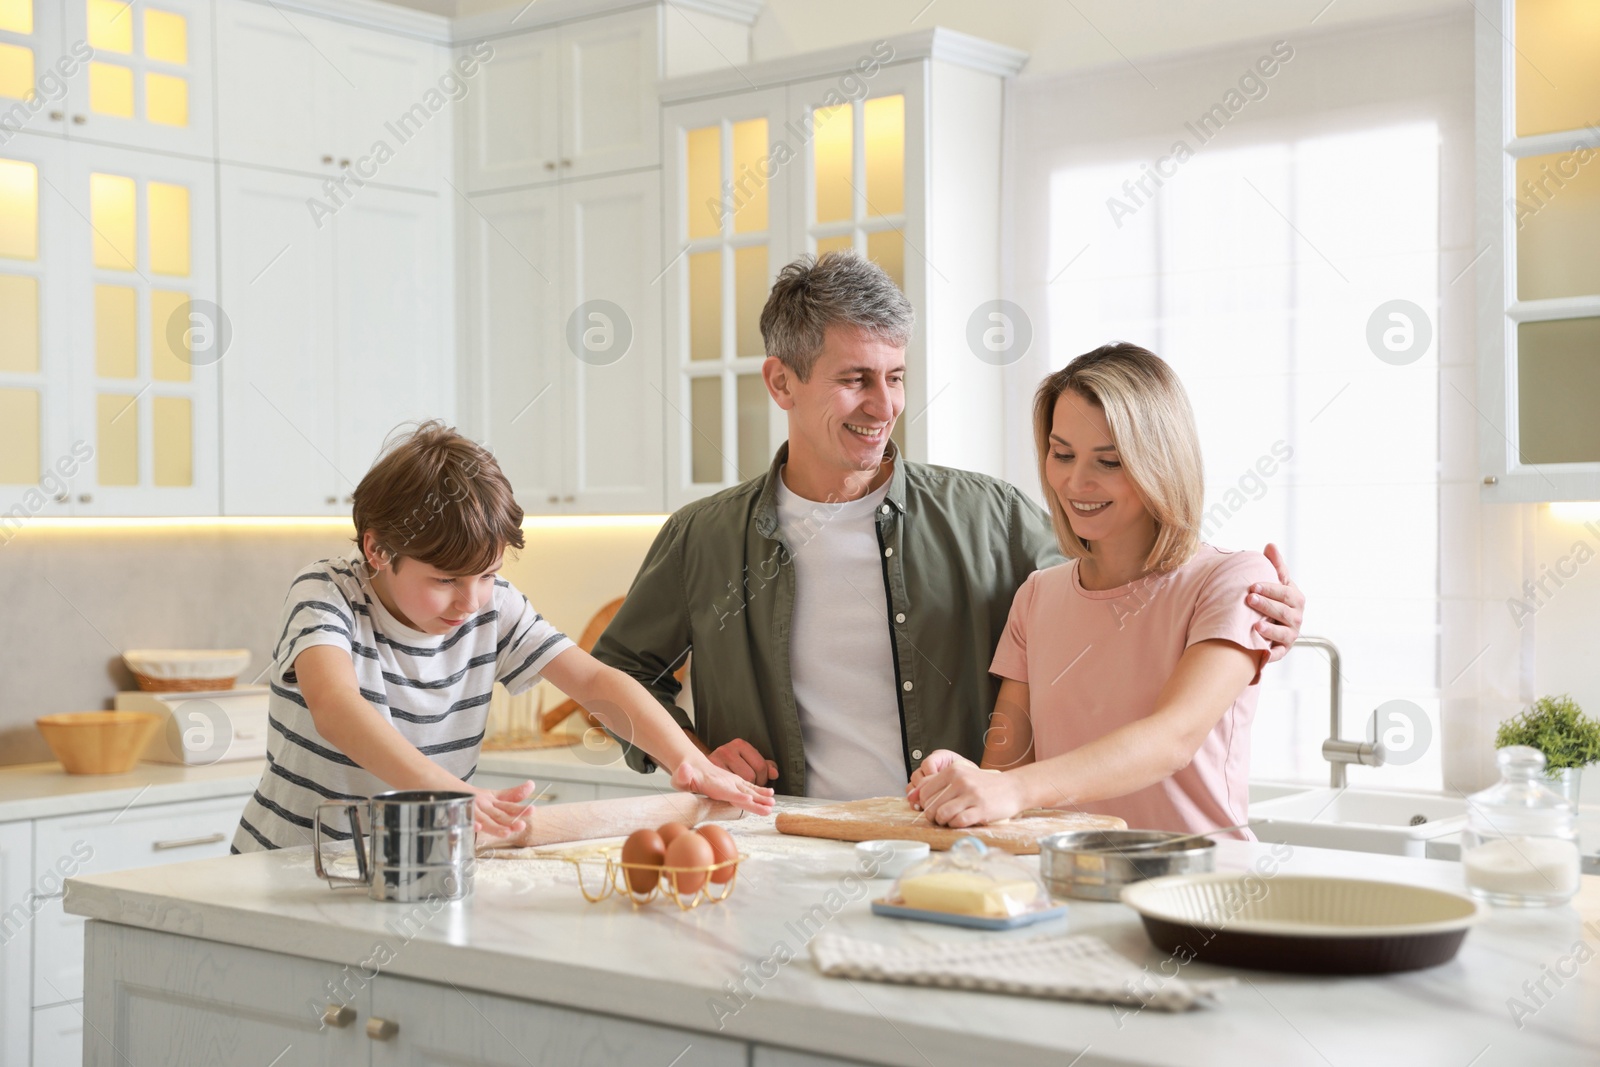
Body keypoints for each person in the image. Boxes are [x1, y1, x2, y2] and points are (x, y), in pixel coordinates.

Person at [595, 252, 1306, 800]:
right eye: (856, 379)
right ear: (781, 382)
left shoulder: (988, 516)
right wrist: (687, 750)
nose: (884, 405)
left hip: (948, 847)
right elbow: (617, 673)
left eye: (897, 376)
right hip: (783, 847)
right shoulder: (703, 537)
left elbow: (1123, 581)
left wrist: (1260, 608)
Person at [231, 423, 772, 854]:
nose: (471, 602)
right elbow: (336, 708)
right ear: (377, 550)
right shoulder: (326, 594)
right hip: (291, 864)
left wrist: (690, 761)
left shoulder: (494, 609)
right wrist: (450, 793)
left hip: (418, 862)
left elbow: (595, 681)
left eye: (486, 575)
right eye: (445, 580)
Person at [908, 344, 1277, 836]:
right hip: (1069, 889)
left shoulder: (1232, 581)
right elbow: (1009, 772)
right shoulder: (1037, 596)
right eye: (1062, 455)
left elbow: (1173, 739)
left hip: (1198, 895)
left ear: (1160, 463)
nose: (1076, 482)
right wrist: (965, 780)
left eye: (1109, 461)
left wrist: (1013, 789)